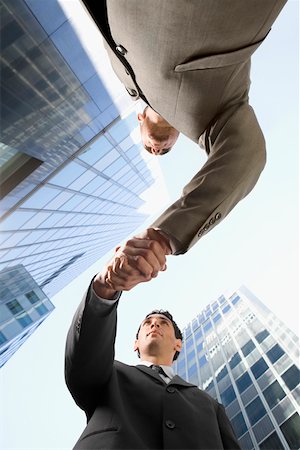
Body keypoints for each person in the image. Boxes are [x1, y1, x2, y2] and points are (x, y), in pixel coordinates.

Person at [80, 0, 287, 268]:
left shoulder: (123, 73)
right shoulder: (211, 113)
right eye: (164, 150)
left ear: (139, 119)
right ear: (178, 133)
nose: (157, 149)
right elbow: (247, 154)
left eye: (151, 149)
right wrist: (162, 238)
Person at [65, 238, 241, 449]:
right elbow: (85, 355)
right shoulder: (109, 375)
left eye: (163, 323)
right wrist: (106, 285)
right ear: (136, 344)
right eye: (147, 323)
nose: (154, 324)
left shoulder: (211, 405)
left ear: (178, 344)